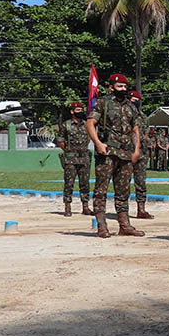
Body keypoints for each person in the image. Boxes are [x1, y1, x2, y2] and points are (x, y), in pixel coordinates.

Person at [86, 73, 144, 238]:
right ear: (112, 88)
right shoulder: (103, 103)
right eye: (120, 87)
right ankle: (102, 226)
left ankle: (124, 225)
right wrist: (97, 143)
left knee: (123, 191)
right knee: (101, 190)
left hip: (125, 154)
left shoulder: (131, 107)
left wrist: (136, 149)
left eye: (125, 87)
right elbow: (90, 123)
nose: (123, 89)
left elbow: (135, 129)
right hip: (108, 152)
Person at [54, 101, 93, 217]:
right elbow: (60, 140)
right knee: (69, 183)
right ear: (72, 112)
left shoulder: (86, 124)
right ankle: (67, 206)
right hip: (71, 159)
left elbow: (90, 137)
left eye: (81, 110)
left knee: (85, 183)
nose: (80, 112)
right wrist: (68, 151)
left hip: (84, 158)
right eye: (77, 110)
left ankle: (85, 206)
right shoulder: (66, 125)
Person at [129, 91, 153, 219]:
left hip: (142, 153)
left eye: (137, 100)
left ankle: (141, 209)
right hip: (126, 152)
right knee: (123, 182)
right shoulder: (123, 114)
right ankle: (122, 210)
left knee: (141, 181)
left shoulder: (143, 117)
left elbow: (145, 134)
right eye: (133, 100)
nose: (135, 102)